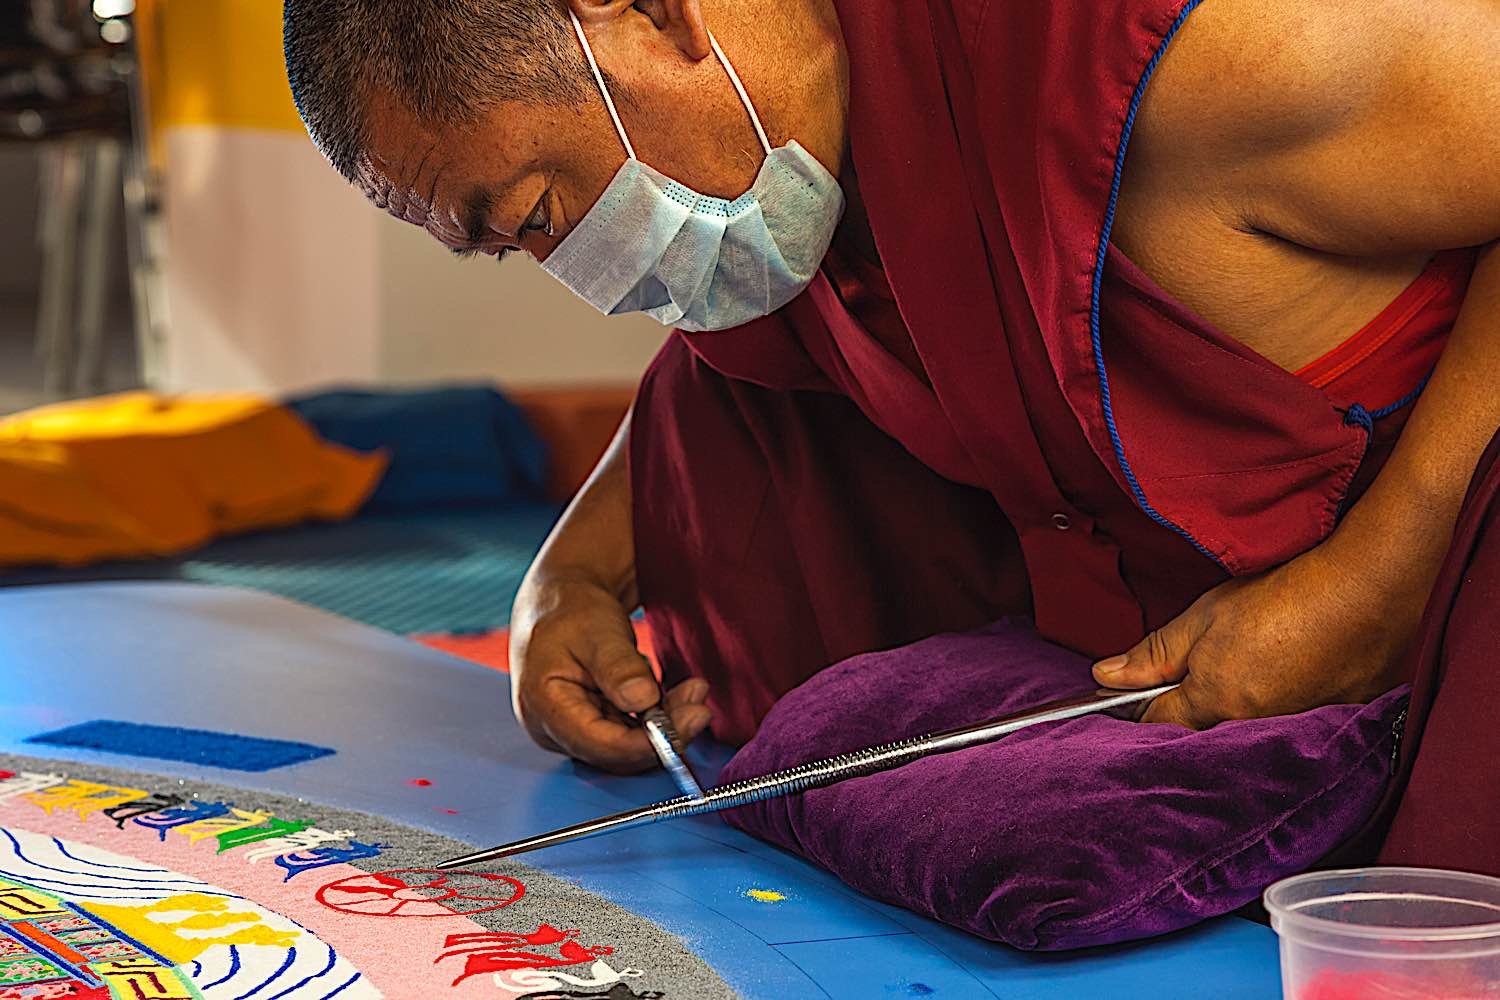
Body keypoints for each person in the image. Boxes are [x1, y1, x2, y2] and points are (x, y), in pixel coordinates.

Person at [282, 0, 1500, 874]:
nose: (578, 278)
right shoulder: (794, 189)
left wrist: (1382, 577)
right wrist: (572, 576)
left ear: (650, 15)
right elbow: (741, 376)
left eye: (540, 214)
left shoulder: (1207, 54)